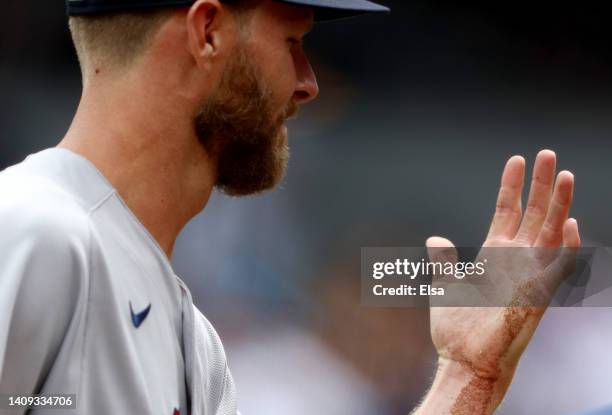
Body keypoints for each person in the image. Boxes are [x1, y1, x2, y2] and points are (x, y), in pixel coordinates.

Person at [0, 0, 581, 414]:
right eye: (293, 42)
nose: (309, 83)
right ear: (207, 31)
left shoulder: (193, 341)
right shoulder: (31, 226)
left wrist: (466, 378)